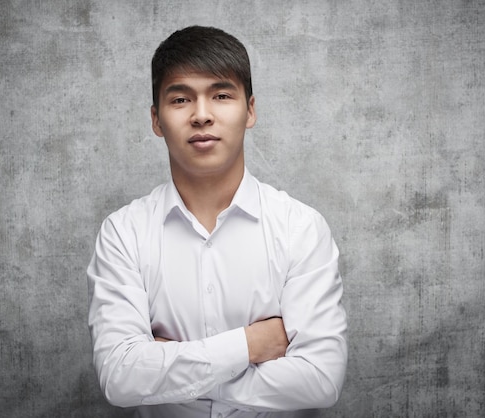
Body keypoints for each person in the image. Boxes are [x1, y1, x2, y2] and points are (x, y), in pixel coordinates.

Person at [87, 25, 347, 418]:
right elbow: (120, 379)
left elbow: (320, 380)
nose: (202, 115)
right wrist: (250, 345)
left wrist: (170, 376)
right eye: (180, 99)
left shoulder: (301, 228)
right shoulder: (124, 233)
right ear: (157, 120)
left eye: (222, 95)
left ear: (251, 110)